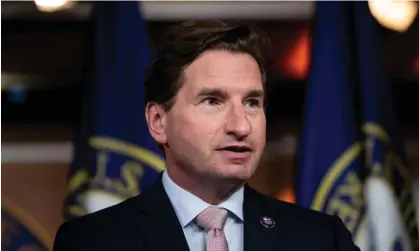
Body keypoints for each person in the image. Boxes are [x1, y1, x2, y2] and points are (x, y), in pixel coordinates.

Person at [53, 20, 360, 251]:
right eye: (213, 101)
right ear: (158, 122)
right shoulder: (91, 242)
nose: (241, 126)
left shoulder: (322, 239)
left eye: (252, 103)